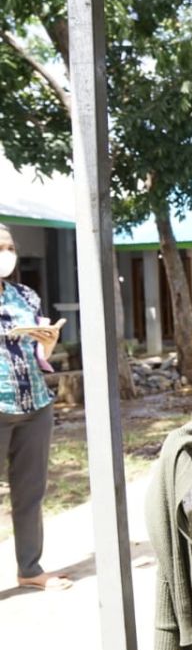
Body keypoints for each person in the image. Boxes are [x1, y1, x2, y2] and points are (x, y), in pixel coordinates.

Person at [0, 224, 69, 591]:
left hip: (34, 404)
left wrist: (50, 340)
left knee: (30, 492)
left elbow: (40, 357)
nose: (5, 254)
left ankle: (29, 568)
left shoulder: (25, 296)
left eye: (9, 246)